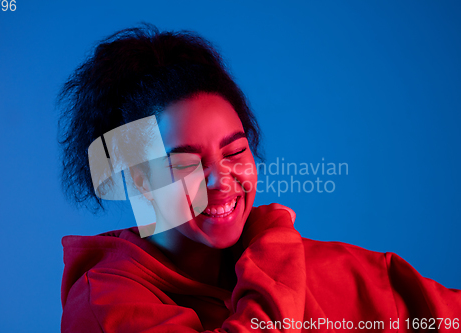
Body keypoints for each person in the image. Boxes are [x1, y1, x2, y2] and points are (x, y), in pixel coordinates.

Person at [57, 24, 460, 333]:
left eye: (235, 152)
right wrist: (275, 248)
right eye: (185, 165)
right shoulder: (104, 305)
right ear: (141, 182)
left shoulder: (311, 265)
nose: (221, 180)